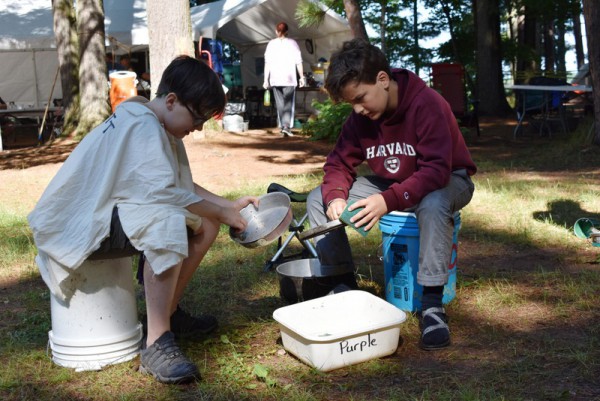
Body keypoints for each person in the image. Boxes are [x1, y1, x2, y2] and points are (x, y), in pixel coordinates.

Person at [28, 55, 258, 384]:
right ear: (171, 101)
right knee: (167, 219)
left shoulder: (153, 121)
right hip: (75, 225)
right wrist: (220, 210)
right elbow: (163, 194)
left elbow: (178, 185)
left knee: (206, 223)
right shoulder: (142, 126)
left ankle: (167, 315)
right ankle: (156, 345)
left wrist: (227, 206)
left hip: (101, 214)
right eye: (197, 117)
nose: (198, 128)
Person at [306, 39, 477, 351]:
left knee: (433, 202)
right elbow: (338, 163)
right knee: (318, 197)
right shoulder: (360, 119)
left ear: (382, 79)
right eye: (351, 104)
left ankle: (431, 305)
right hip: (394, 183)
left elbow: (436, 171)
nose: (357, 109)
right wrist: (336, 197)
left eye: (360, 98)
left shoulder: (427, 104)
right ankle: (341, 286)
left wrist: (387, 201)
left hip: (450, 178)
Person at [263, 21, 305, 137]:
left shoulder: (271, 44)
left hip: (275, 79)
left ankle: (283, 126)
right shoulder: (293, 43)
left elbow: (267, 63)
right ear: (287, 32)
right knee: (288, 103)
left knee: (280, 104)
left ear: (276, 31)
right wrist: (302, 77)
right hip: (289, 80)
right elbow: (298, 62)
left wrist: (266, 80)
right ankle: (286, 127)